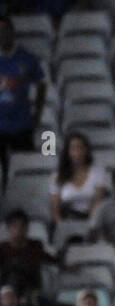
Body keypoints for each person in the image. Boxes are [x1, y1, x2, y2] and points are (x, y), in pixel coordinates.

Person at [0, 14, 47, 181]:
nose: (2, 34)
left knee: (25, 171)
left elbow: (42, 85)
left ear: (12, 32)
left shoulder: (27, 58)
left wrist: (38, 114)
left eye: (5, 30)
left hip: (22, 126)